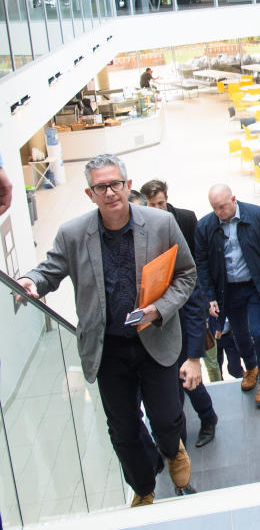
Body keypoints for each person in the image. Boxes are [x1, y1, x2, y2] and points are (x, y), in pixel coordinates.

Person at [17, 154, 200, 506]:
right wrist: (31, 281)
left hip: (155, 339)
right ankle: (144, 486)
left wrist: (158, 310)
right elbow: (50, 269)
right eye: (101, 187)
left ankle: (171, 448)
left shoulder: (161, 224)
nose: (110, 192)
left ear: (128, 186)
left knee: (165, 418)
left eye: (115, 184)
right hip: (108, 349)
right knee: (123, 430)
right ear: (90, 194)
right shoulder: (73, 234)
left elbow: (187, 274)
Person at [194, 184, 260, 409]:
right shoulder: (205, 227)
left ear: (233, 199)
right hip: (228, 290)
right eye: (214, 208)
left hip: (256, 285)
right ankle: (251, 368)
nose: (219, 212)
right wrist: (209, 296)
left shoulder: (257, 215)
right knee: (239, 335)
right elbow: (201, 264)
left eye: (222, 207)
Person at [141, 179, 219, 447]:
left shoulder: (185, 219)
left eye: (161, 204)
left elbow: (198, 261)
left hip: (186, 303)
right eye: (152, 205)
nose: (158, 209)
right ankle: (179, 442)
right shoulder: (143, 227)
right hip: (161, 311)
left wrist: (206, 298)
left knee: (188, 375)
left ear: (167, 200)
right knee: (170, 381)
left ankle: (208, 418)